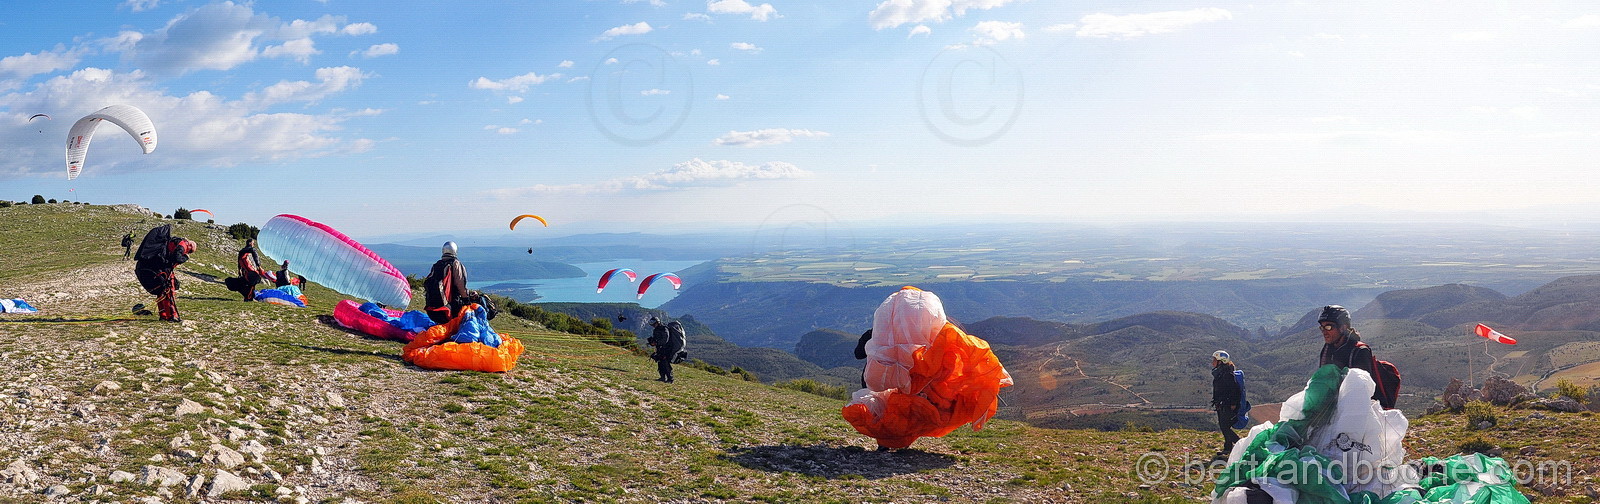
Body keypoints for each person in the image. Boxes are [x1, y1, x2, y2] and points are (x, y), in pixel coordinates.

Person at [133, 225, 194, 322]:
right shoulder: (183, 244)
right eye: (190, 251)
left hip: (153, 269)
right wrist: (185, 258)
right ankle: (172, 317)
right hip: (161, 271)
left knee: (161, 293)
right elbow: (177, 258)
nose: (188, 252)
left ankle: (163, 316)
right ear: (189, 245)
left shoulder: (173, 242)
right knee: (168, 293)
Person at [1316, 305, 1374, 376]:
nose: (1324, 332)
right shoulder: (1327, 349)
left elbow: (1363, 381)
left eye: (1328, 327)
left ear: (1343, 328)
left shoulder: (1360, 352)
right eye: (1322, 328)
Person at [423, 241, 470, 324]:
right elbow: (460, 283)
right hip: (449, 307)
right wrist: (466, 300)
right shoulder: (455, 264)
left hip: (432, 308)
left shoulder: (437, 265)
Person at [1210, 350, 1242, 458]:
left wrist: (1232, 404)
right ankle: (1228, 448)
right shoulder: (1220, 373)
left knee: (1225, 427)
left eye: (1215, 359)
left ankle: (1240, 445)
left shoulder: (1227, 374)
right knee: (1224, 426)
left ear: (1221, 361)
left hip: (1227, 405)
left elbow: (1234, 390)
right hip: (1222, 404)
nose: (1212, 362)